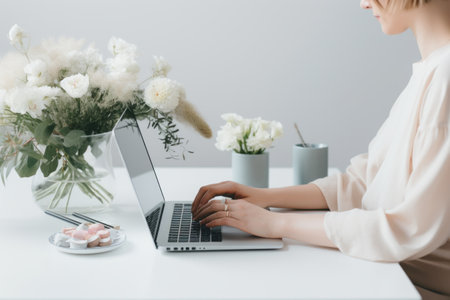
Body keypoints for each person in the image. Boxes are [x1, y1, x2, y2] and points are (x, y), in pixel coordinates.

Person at [191, 0, 450, 299]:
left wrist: (276, 223)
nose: (365, 4)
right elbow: (364, 182)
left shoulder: (444, 76)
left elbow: (410, 229)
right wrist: (265, 197)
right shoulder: (431, 69)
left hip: (411, 287)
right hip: (386, 273)